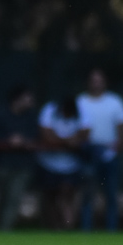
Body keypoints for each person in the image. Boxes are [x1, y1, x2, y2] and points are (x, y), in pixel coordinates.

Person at [76, 68, 123, 231]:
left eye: (100, 80)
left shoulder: (115, 101)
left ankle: (111, 230)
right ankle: (86, 229)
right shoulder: (80, 101)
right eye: (93, 80)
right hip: (88, 154)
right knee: (87, 195)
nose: (97, 83)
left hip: (110, 155)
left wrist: (118, 144)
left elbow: (122, 124)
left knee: (111, 195)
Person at [0, 85, 43, 231]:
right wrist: (8, 140)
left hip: (23, 165)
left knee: (14, 198)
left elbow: (38, 138)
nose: (31, 101)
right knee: (2, 198)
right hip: (3, 164)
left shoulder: (32, 117)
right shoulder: (2, 114)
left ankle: (4, 230)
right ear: (18, 99)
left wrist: (24, 141)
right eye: (28, 98)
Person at [38, 95, 90, 230]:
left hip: (71, 165)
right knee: (50, 196)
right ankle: (54, 227)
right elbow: (46, 135)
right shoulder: (50, 109)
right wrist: (66, 142)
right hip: (49, 163)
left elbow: (85, 133)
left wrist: (73, 140)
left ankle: (67, 227)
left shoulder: (81, 111)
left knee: (66, 194)